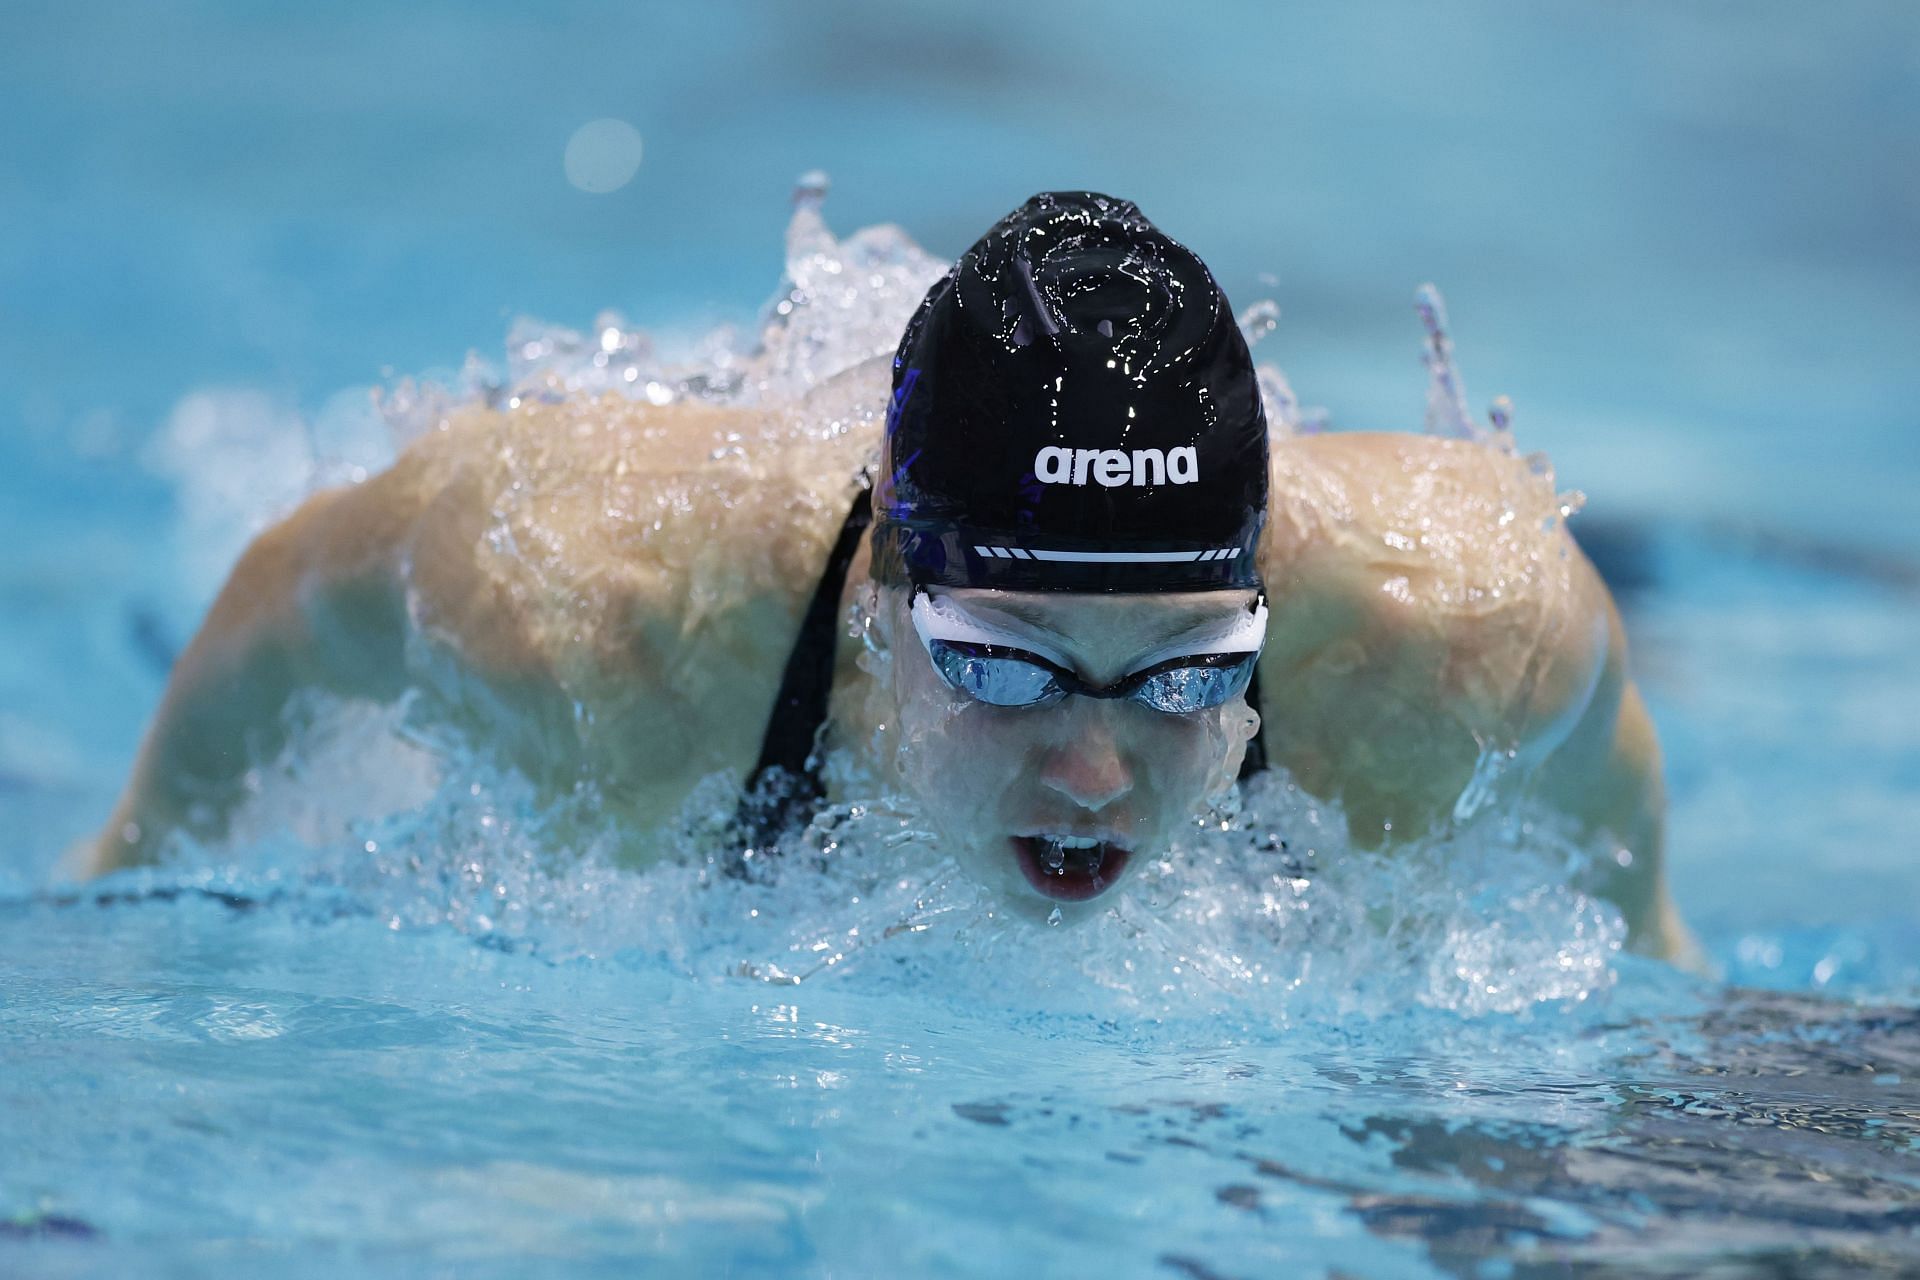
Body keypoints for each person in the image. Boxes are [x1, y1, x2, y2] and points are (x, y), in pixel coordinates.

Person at [75, 192, 1694, 960]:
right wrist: (135, 857)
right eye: (1003, 663)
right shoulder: (599, 626)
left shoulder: (1449, 638)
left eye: (1189, 673)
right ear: (879, 598)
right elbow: (296, 597)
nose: (1090, 768)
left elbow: (1626, 887)